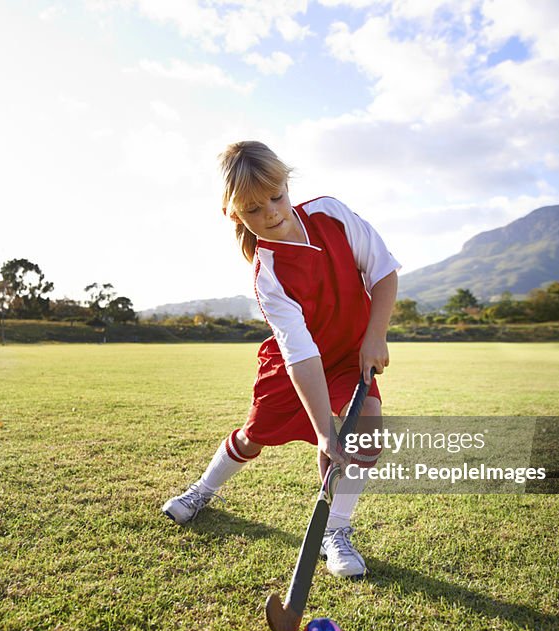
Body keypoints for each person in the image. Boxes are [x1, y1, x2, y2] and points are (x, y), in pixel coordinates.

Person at [162, 141, 400, 579]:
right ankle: (202, 491)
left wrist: (374, 336)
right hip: (294, 365)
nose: (271, 213)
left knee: (367, 426)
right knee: (254, 438)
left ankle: (336, 530)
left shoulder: (331, 213)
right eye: (254, 209)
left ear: (287, 183)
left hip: (350, 351)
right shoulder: (268, 274)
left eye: (276, 197)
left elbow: (383, 270)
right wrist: (325, 431)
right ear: (235, 215)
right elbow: (301, 353)